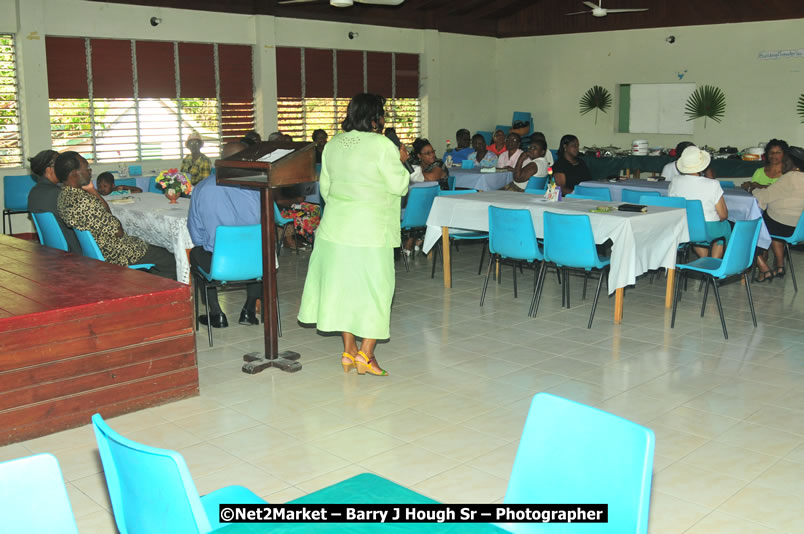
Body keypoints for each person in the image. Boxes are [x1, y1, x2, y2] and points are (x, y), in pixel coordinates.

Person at [298, 93, 409, 377]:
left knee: (344, 291)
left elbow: (325, 189)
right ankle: (366, 354)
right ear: (376, 116)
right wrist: (403, 161)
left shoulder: (333, 144)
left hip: (335, 229)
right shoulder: (383, 145)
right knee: (376, 290)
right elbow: (399, 186)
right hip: (370, 232)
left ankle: (348, 350)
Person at [55, 151, 176, 279]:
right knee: (171, 258)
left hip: (99, 250)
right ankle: (153, 290)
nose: (89, 171)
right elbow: (118, 231)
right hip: (116, 252)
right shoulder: (84, 201)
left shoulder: (64, 196)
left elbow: (107, 218)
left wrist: (92, 190)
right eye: (86, 168)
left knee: (151, 241)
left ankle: (144, 280)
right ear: (74, 173)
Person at [187, 141, 262, 327]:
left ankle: (216, 313)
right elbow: (267, 224)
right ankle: (249, 310)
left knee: (196, 252)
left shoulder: (202, 188)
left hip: (218, 262)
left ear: (218, 162)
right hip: (254, 261)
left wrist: (214, 246)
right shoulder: (258, 187)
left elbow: (195, 230)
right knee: (263, 253)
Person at [751, 145, 804, 282]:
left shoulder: (790, 178)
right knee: (771, 219)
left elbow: (764, 196)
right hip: (799, 228)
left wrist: (751, 189)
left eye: (784, 161)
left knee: (750, 228)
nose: (782, 163)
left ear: (791, 163)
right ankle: (780, 266)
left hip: (784, 226)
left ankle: (764, 268)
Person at [668, 146, 730, 259]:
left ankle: (704, 260)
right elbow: (723, 215)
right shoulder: (713, 184)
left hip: (684, 227)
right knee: (724, 228)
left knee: (697, 233)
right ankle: (712, 264)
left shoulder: (675, 181)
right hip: (709, 227)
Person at [27, 149, 81, 253]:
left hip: (52, 249)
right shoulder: (58, 193)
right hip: (74, 250)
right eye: (59, 164)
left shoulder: (33, 192)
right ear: (49, 169)